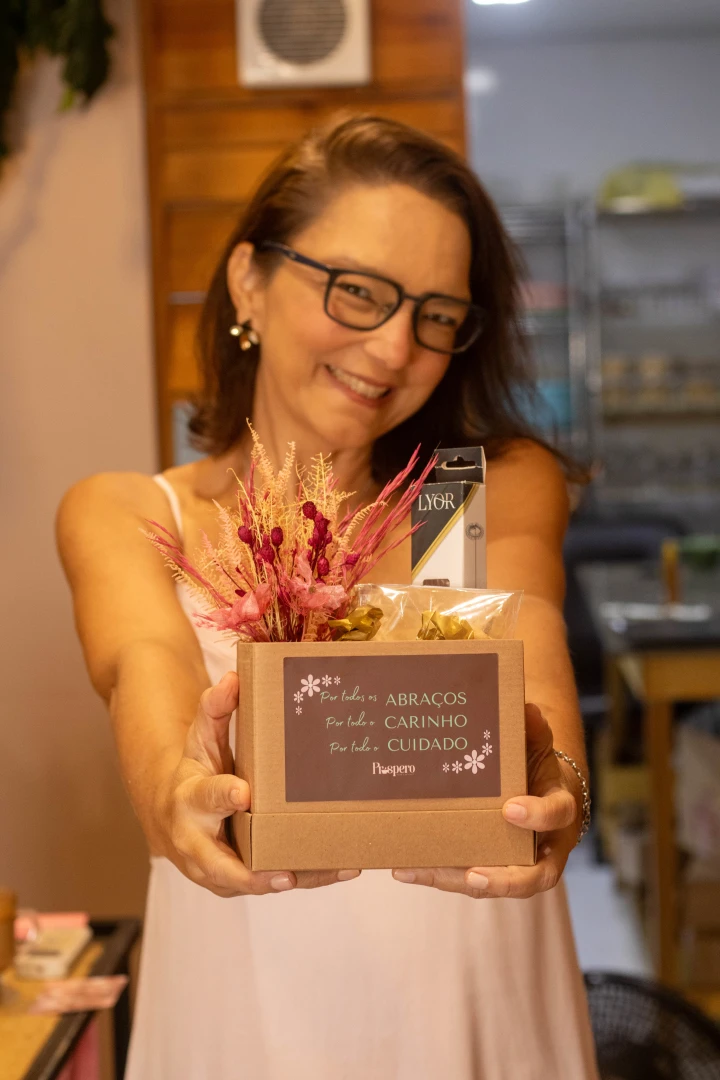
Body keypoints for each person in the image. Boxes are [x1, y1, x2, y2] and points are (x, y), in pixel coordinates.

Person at [57, 115, 599, 1079]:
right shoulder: (136, 514)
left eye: (437, 316)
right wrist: (180, 797)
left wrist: (556, 776)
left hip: (472, 1005)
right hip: (244, 1014)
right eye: (357, 293)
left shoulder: (465, 495)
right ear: (249, 281)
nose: (393, 350)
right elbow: (148, 672)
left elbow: (529, 636)